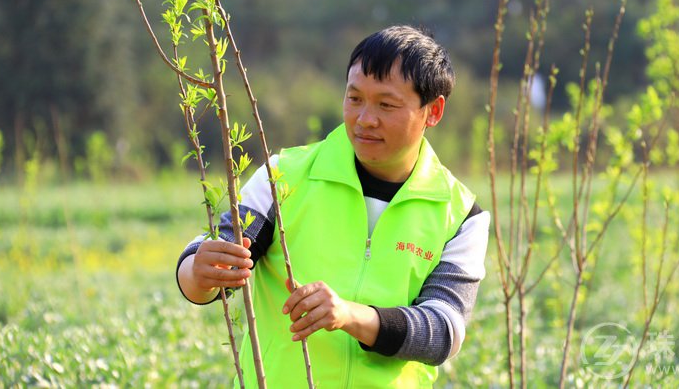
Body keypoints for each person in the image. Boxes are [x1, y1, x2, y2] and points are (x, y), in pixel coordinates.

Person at [176, 25, 490, 388]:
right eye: (355, 99)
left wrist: (351, 316)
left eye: (386, 105)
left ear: (432, 112)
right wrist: (197, 273)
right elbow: (216, 255)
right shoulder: (283, 177)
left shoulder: (461, 214)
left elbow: (444, 331)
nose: (364, 119)